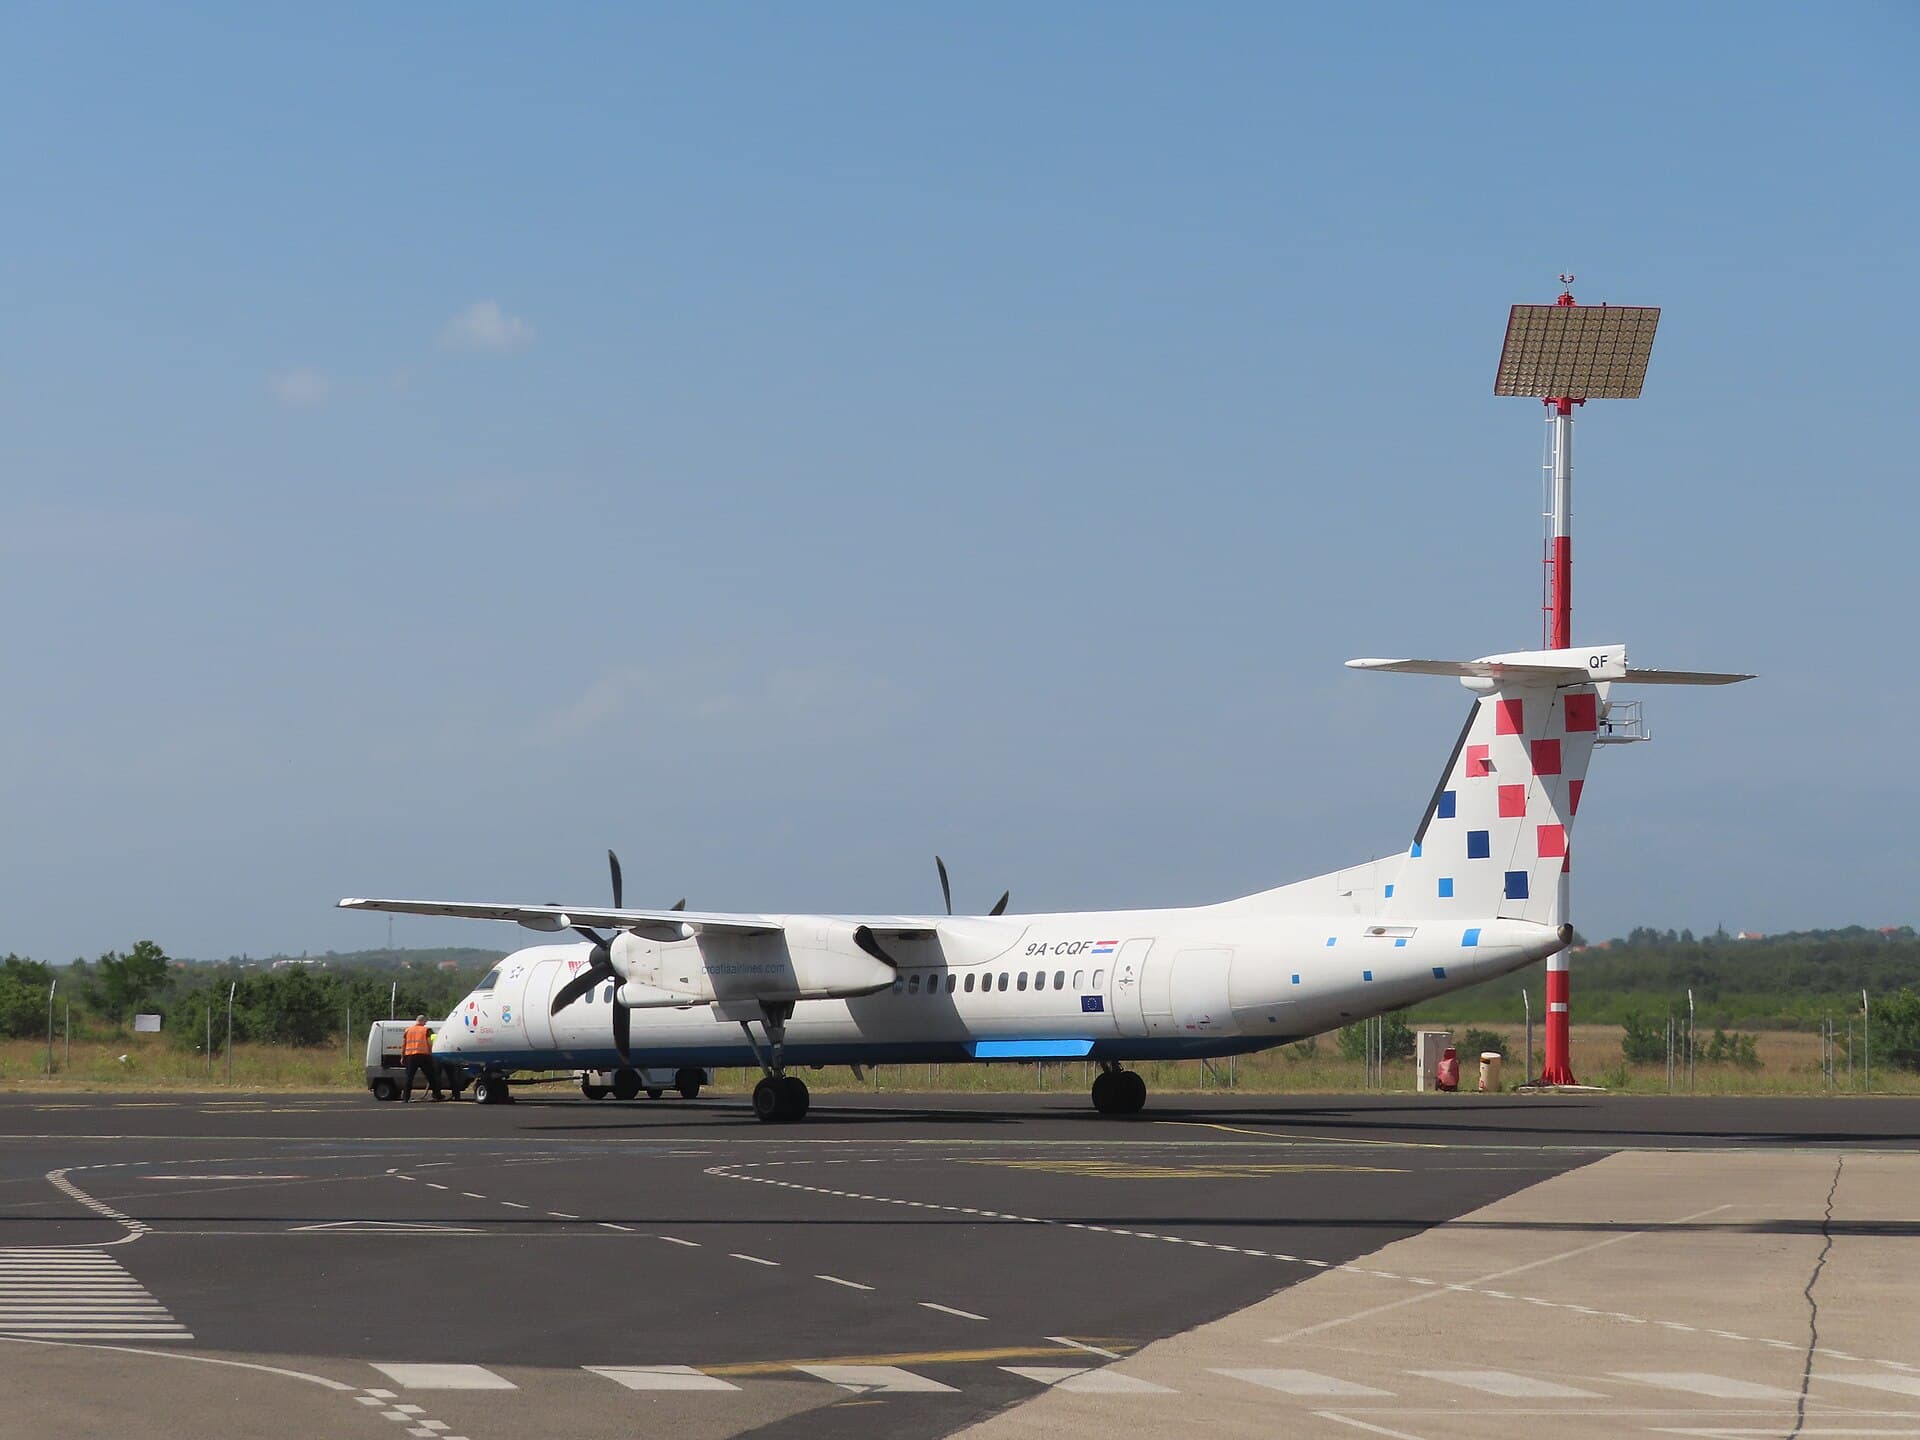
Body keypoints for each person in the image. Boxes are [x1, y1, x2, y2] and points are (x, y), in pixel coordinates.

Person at [401, 1015, 443, 1101]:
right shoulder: (426, 1030)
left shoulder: (408, 1030)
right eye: (425, 1022)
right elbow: (430, 1043)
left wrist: (402, 1057)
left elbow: (403, 1045)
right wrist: (433, 1054)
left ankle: (405, 1097)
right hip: (424, 1056)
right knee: (431, 1077)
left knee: (409, 1078)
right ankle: (437, 1095)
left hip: (410, 1056)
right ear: (423, 1021)